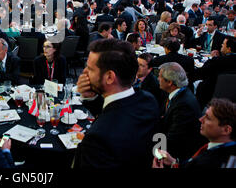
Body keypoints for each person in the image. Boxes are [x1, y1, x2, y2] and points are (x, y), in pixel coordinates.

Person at [74, 39, 159, 168]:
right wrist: (91, 97)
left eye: (90, 69)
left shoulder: (96, 139)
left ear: (109, 77)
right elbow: (116, 111)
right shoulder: (148, 100)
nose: (84, 72)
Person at [153, 98, 236, 168]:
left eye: (208, 118)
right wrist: (174, 163)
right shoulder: (221, 152)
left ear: (226, 130)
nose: (201, 119)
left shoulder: (209, 161)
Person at [156, 62, 205, 162]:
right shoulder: (178, 94)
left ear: (169, 82)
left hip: (177, 155)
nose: (157, 79)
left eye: (160, 76)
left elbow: (173, 139)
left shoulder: (184, 105)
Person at [195, 36, 236, 110]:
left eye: (223, 44)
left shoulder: (216, 61)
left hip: (210, 93)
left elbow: (201, 73)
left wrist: (213, 58)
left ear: (229, 49)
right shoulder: (221, 60)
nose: (221, 45)